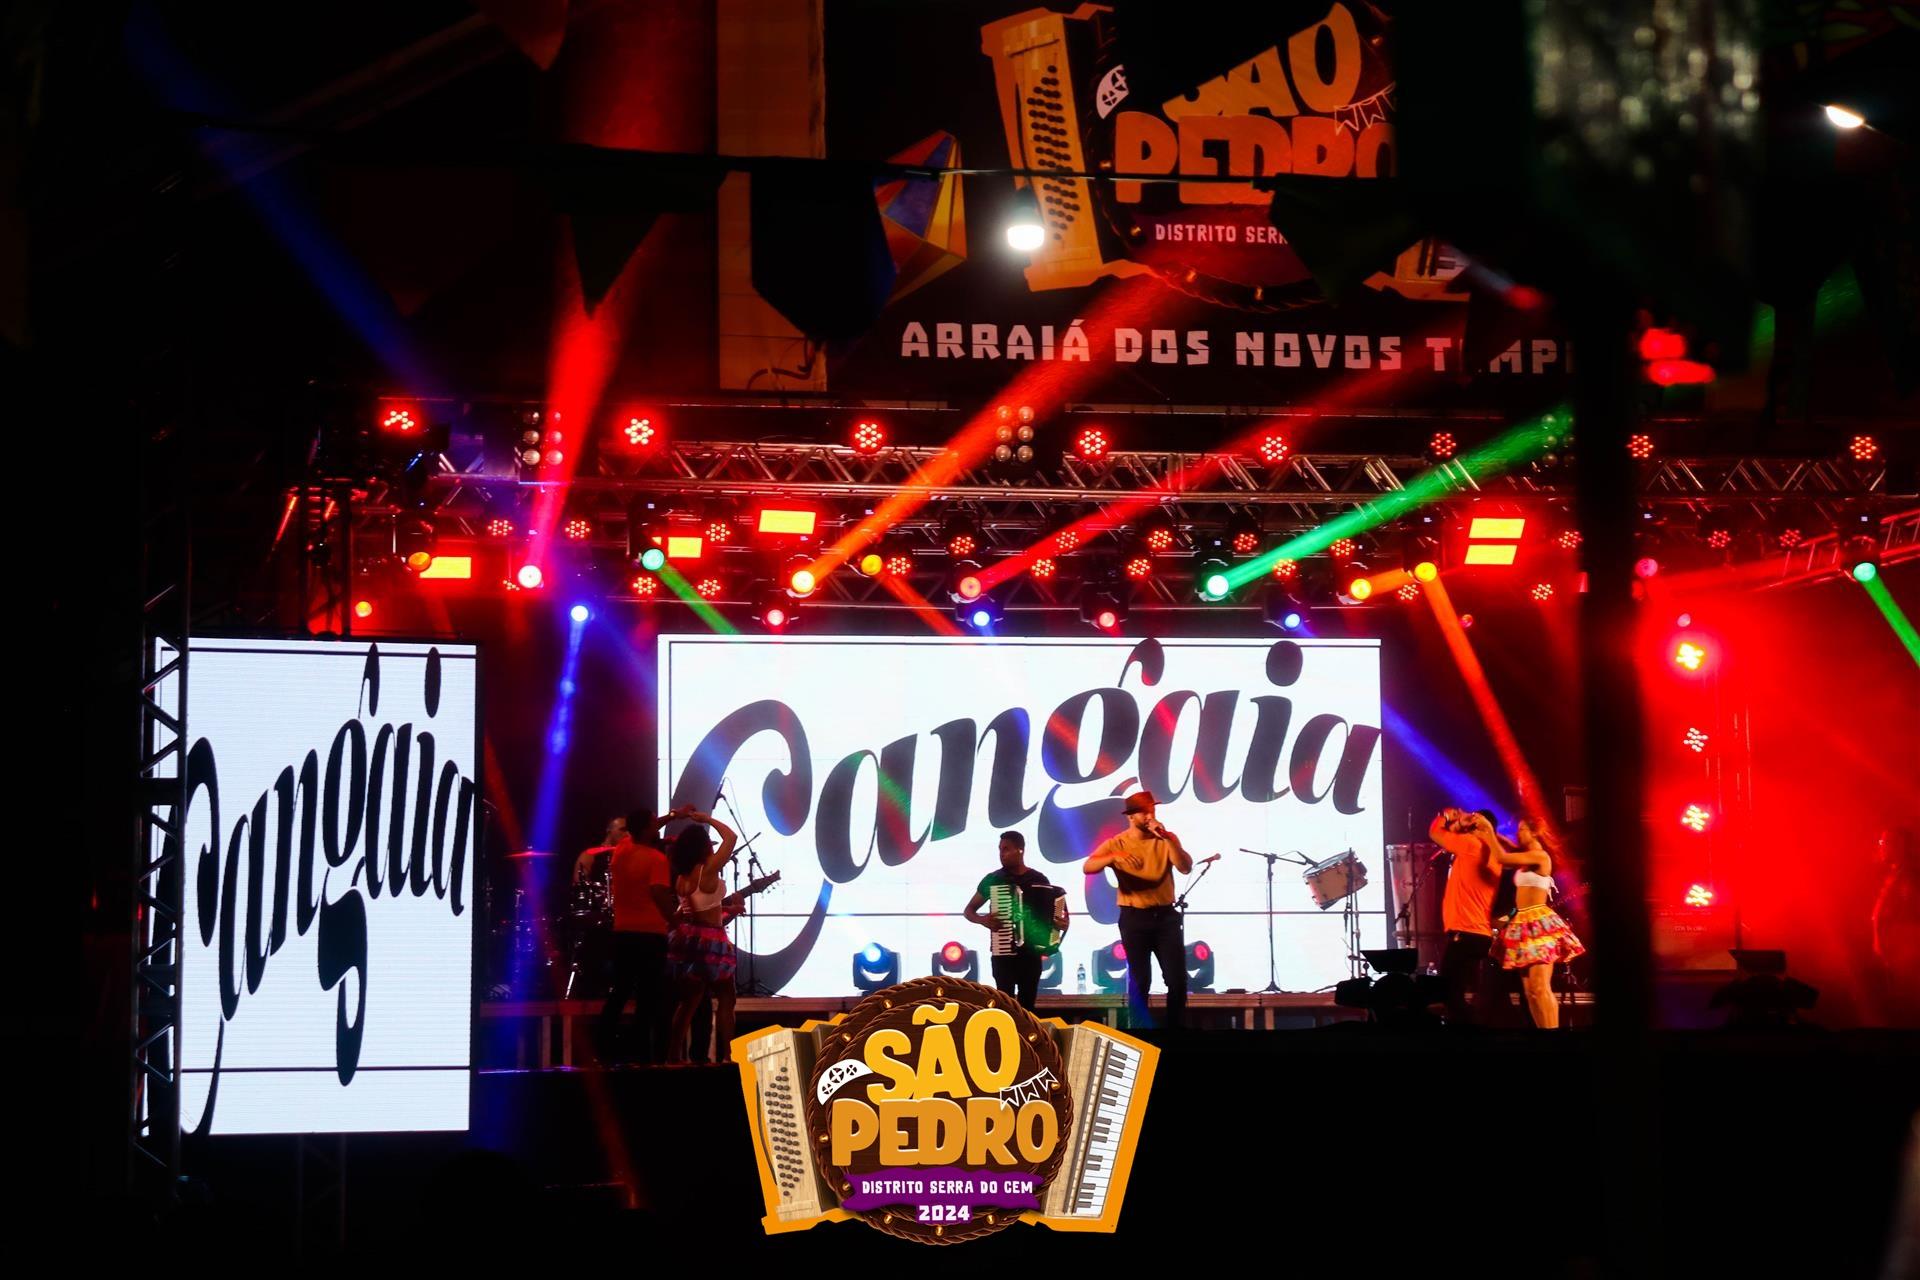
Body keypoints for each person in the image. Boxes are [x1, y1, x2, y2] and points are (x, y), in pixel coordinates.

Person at [1083, 792, 1193, 1029]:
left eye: (1152, 810)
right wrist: (1114, 856)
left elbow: (1185, 867)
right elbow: (1088, 866)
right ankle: (1139, 1033)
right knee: (1141, 980)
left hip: (1165, 917)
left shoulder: (1166, 839)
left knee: (1177, 979)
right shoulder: (1118, 843)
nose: (1150, 816)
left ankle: (1176, 1031)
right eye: (1144, 812)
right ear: (1131, 817)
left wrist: (1167, 837)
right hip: (1134, 918)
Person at [1473, 814, 1585, 1029]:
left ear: (1534, 832)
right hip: (1522, 924)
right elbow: (1508, 847)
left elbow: (1501, 857)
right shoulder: (1525, 856)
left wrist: (1487, 831)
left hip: (1539, 923)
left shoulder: (1540, 856)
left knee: (1540, 988)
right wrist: (1488, 832)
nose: (1518, 833)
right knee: (1530, 992)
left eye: (1522, 829)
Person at [596, 806, 685, 1064]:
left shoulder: (622, 850)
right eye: (653, 823)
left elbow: (640, 829)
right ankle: (640, 1054)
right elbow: (658, 893)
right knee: (648, 997)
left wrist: (673, 815)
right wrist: (675, 922)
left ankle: (603, 1050)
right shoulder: (656, 859)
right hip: (650, 934)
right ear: (647, 829)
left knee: (620, 992)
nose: (657, 826)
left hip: (623, 932)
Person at [666, 810, 739, 1065]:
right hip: (711, 940)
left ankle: (673, 1055)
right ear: (703, 847)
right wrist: (707, 819)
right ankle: (729, 1056)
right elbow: (731, 837)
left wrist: (727, 910)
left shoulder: (682, 877)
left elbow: (693, 909)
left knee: (689, 1002)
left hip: (689, 937)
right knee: (727, 998)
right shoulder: (706, 870)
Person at [963, 831, 1060, 1011]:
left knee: (1027, 1008)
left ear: (1020, 850)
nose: (1002, 854)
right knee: (1005, 1007)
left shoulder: (1039, 880)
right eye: (1000, 849)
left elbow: (1051, 916)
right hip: (1003, 954)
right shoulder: (994, 880)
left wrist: (1059, 925)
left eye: (1006, 849)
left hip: (1031, 955)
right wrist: (983, 920)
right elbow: (969, 910)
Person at [1428, 806, 1500, 1026]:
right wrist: (1462, 825)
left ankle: (1471, 1033)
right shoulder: (1495, 853)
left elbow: (1435, 833)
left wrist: (1446, 816)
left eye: (1473, 824)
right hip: (1477, 934)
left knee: (1450, 993)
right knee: (1459, 994)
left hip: (1465, 932)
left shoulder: (1472, 845)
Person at [1871, 827, 1920, 1022]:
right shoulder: (1896, 874)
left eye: (1885, 843)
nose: (1881, 847)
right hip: (1894, 955)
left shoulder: (1909, 876)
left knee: (1906, 1005)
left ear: (1900, 846)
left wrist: (1898, 948)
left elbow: (1910, 914)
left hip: (1904, 956)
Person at [573, 815, 627, 885]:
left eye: (629, 830)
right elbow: (580, 886)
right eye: (623, 829)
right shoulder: (589, 856)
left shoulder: (628, 856)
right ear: (609, 830)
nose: (627, 834)